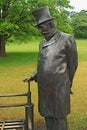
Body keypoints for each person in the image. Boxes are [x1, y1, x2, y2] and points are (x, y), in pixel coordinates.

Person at [24, 6, 78, 130]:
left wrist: (68, 83)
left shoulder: (66, 39)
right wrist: (33, 75)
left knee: (59, 117)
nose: (40, 30)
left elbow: (73, 64)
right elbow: (42, 65)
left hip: (60, 87)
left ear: (50, 24)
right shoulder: (42, 44)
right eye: (38, 28)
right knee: (47, 114)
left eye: (41, 27)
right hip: (44, 88)